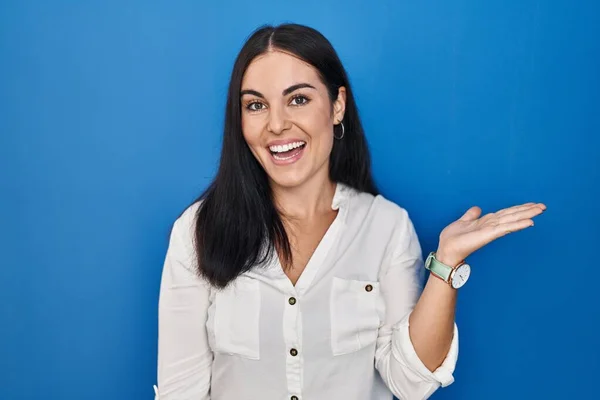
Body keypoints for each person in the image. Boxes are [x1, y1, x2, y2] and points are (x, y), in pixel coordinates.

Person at [154, 23, 545, 400]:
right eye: (256, 105)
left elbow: (411, 383)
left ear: (337, 105)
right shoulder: (198, 231)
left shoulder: (386, 226)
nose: (276, 124)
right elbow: (179, 392)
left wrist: (445, 264)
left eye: (299, 99)